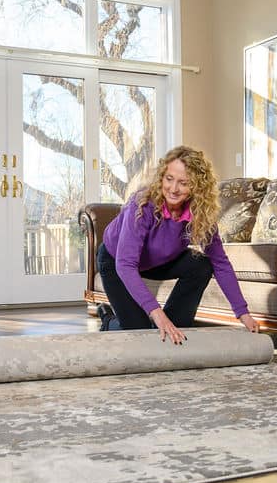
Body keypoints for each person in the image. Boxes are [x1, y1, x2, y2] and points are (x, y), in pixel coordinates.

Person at [96, 145, 259, 344]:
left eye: (183, 183)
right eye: (169, 179)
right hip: (116, 261)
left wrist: (243, 313)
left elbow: (220, 263)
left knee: (202, 264)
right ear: (161, 177)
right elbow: (125, 264)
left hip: (157, 261)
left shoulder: (200, 213)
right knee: (141, 335)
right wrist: (157, 314)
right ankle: (108, 321)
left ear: (197, 187)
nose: (173, 189)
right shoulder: (142, 205)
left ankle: (173, 325)